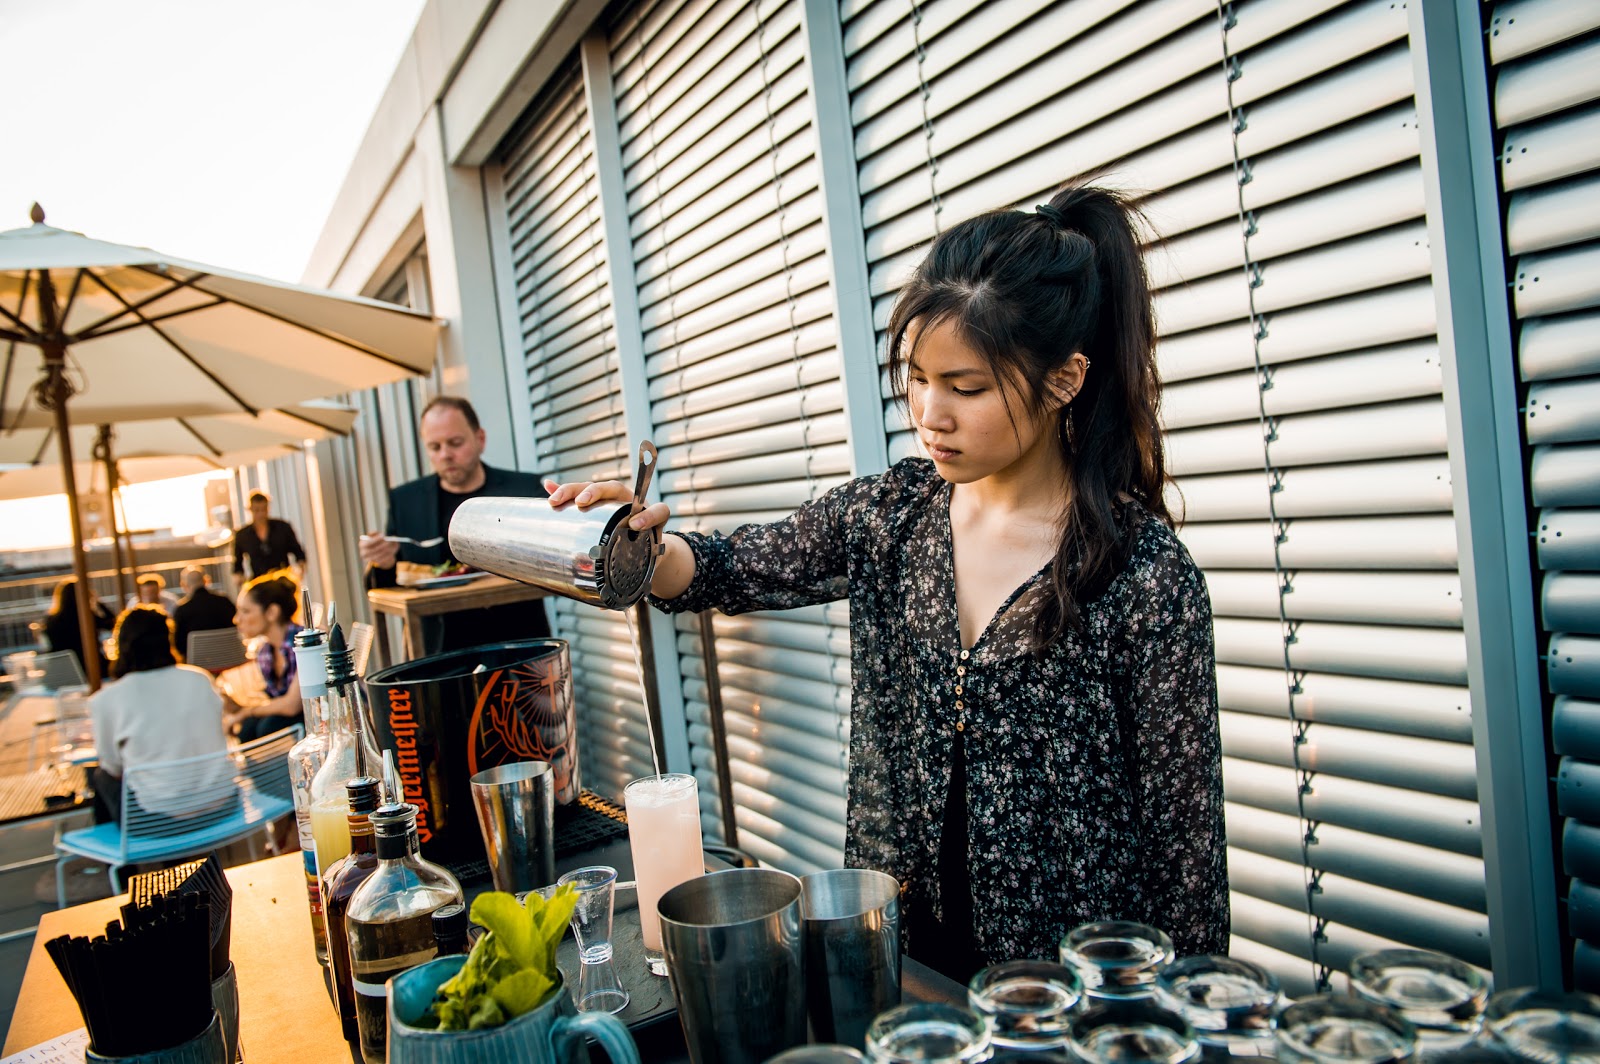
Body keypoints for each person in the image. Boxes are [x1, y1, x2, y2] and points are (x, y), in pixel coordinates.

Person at [550, 185, 1228, 979]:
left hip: (1075, 1004)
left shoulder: (1143, 575)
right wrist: (638, 545)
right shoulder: (892, 516)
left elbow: (1188, 861)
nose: (930, 414)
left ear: (1065, 379)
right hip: (903, 972)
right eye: (918, 379)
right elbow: (728, 568)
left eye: (966, 387)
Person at [359, 395, 550, 653]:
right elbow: (384, 584)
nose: (446, 454)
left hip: (519, 643)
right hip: (440, 653)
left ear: (480, 439)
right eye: (434, 447)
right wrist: (382, 562)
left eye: (455, 443)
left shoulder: (524, 490)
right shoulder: (406, 501)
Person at [89, 606, 231, 824]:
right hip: (222, 803)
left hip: (159, 819)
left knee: (100, 776)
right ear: (168, 639)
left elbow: (112, 766)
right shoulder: (199, 679)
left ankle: (121, 856)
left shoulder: (106, 700)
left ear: (122, 646)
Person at [221, 572, 304, 743]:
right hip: (297, 718)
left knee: (266, 726)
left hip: (323, 720)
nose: (237, 619)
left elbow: (291, 705)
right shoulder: (266, 651)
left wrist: (247, 711)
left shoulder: (304, 643)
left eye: (245, 611)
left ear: (272, 612)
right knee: (249, 727)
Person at [42, 576, 115, 680]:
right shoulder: (85, 618)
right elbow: (112, 623)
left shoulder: (51, 620)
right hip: (91, 669)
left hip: (59, 675)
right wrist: (98, 602)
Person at [232, 490, 306, 581]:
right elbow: (237, 564)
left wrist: (299, 570)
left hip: (283, 581)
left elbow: (298, 553)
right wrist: (240, 579)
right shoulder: (242, 535)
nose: (261, 514)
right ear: (250, 509)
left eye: (264, 509)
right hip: (259, 583)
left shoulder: (282, 528)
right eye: (257, 510)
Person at [170, 567, 237, 660]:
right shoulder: (224, 601)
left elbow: (178, 644)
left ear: (183, 585)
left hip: (199, 663)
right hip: (232, 657)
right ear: (206, 581)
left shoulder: (181, 610)